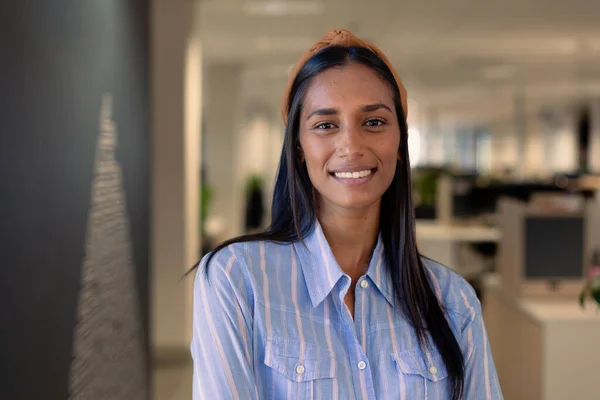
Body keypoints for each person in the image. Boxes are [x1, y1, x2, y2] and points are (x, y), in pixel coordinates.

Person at [190, 29, 503, 400]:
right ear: (298, 147)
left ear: (400, 141)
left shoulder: (454, 301)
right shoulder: (236, 279)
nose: (351, 147)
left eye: (373, 122)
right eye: (325, 125)